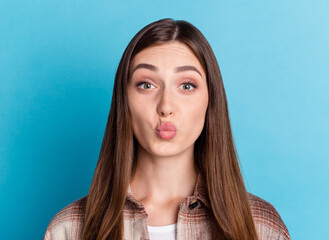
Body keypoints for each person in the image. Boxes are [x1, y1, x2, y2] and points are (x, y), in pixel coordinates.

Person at [43, 18, 290, 240]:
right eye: (146, 85)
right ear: (124, 100)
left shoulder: (260, 227)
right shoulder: (69, 230)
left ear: (210, 101)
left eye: (186, 86)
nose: (166, 106)